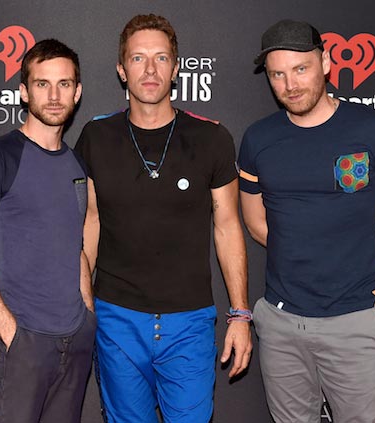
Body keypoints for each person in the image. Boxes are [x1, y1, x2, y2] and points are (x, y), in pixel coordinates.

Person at [239, 19, 375, 423]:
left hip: (354, 321)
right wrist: (301, 258)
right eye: (278, 74)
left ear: (324, 62)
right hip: (281, 321)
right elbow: (255, 220)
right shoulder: (258, 139)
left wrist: (354, 273)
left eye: (300, 68)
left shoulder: (373, 129)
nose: (290, 84)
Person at [75, 14, 252, 423]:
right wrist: (84, 306)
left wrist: (240, 313)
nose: (150, 70)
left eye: (160, 58)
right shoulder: (96, 137)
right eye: (138, 59)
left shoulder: (211, 138)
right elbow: (89, 223)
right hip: (117, 318)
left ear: (176, 67)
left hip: (189, 323)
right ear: (122, 70)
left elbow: (228, 226)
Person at [0, 39, 95, 423]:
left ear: (77, 92)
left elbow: (75, 245)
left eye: (64, 84)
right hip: (20, 346)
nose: (53, 95)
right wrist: (12, 334)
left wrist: (87, 315)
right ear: (23, 90)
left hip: (74, 342)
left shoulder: (76, 165)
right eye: (42, 83)